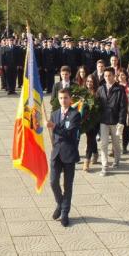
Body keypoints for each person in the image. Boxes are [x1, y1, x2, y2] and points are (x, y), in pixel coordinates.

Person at [46, 88, 81, 227]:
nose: (63, 100)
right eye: (61, 98)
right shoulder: (54, 114)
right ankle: (60, 204)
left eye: (65, 98)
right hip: (56, 153)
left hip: (69, 154)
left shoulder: (75, 114)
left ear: (70, 99)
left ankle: (65, 212)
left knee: (68, 185)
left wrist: (54, 126)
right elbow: (54, 134)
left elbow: (69, 133)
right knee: (53, 182)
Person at [96, 67, 127, 176]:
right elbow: (97, 105)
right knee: (103, 144)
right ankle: (104, 165)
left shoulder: (120, 89)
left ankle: (117, 159)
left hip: (116, 121)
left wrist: (121, 122)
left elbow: (123, 107)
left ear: (114, 76)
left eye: (109, 75)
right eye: (105, 76)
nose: (107, 78)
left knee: (116, 143)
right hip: (103, 120)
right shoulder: (100, 89)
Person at [83, 75, 100, 171]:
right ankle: (96, 152)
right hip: (86, 121)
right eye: (88, 81)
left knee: (90, 140)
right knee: (91, 139)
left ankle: (87, 161)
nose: (89, 83)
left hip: (95, 121)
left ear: (95, 82)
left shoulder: (98, 93)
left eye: (91, 81)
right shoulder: (83, 92)